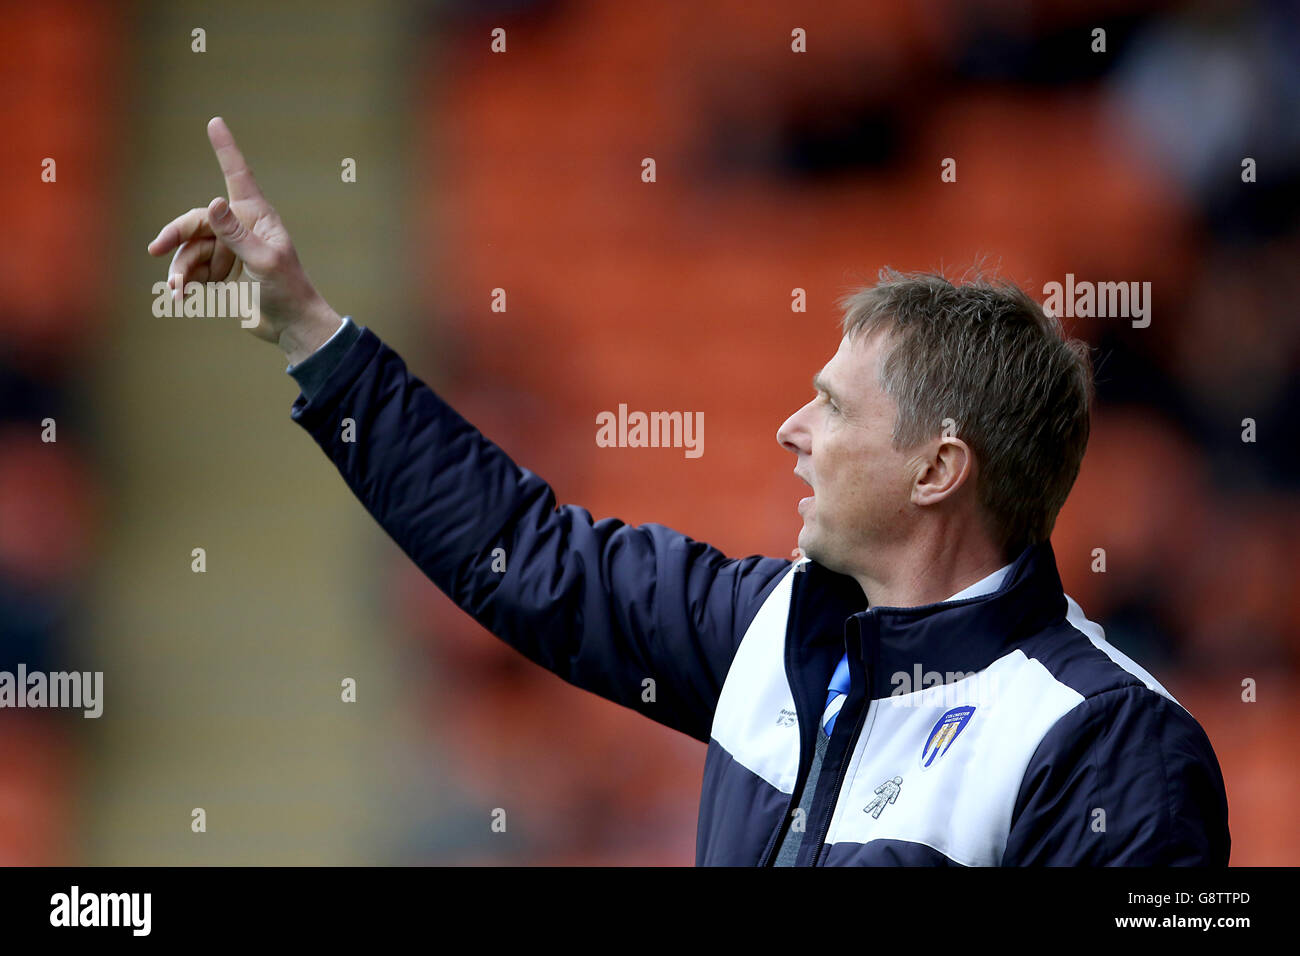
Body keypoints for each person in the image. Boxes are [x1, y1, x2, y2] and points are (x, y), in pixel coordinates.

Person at [148, 117, 1231, 866]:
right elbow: (526, 557)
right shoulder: (766, 629)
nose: (790, 429)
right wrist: (309, 333)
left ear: (938, 469)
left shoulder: (1109, 742)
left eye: (834, 408)